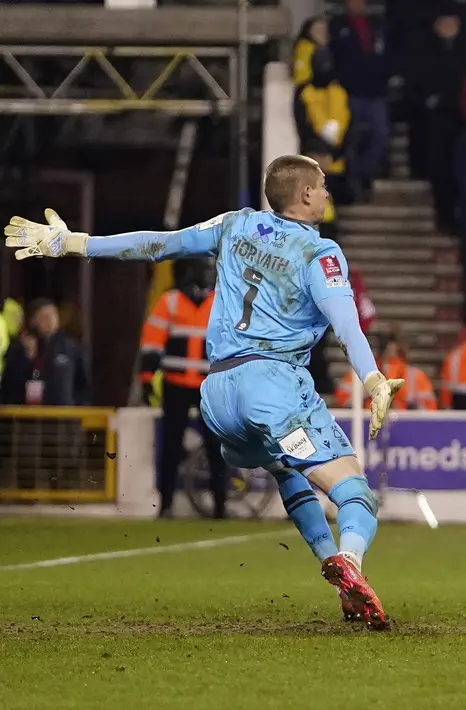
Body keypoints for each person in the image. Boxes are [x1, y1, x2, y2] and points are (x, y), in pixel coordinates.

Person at [4, 155, 404, 630]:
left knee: (285, 468)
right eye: (321, 187)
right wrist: (373, 378)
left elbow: (159, 244)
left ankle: (341, 580)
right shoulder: (320, 253)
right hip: (272, 388)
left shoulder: (234, 225)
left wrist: (72, 242)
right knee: (355, 493)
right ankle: (351, 561)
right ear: (304, 195)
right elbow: (346, 324)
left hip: (216, 393)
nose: (327, 194)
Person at [140, 259, 228, 519]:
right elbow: (152, 342)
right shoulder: (171, 301)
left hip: (208, 387)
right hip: (177, 385)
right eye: (205, 269)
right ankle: (165, 504)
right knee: (171, 447)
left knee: (217, 448)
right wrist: (146, 378)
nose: (209, 274)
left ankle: (220, 506)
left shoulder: (221, 303)